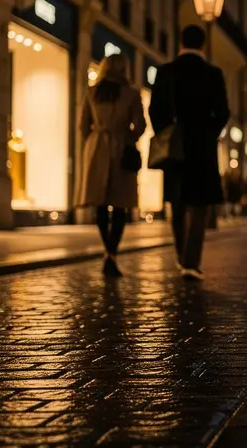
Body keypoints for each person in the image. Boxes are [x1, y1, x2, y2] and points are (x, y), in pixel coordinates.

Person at [149, 25, 230, 280]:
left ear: (180, 44)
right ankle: (191, 261)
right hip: (203, 146)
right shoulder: (213, 73)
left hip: (175, 144)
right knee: (200, 205)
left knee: (177, 201)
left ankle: (180, 255)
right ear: (203, 46)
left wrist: (166, 131)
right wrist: (209, 132)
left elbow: (154, 109)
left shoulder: (166, 72)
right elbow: (224, 111)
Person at [76, 54, 146, 277]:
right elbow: (141, 125)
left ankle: (108, 251)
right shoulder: (132, 93)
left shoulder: (93, 91)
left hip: (97, 149)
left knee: (100, 203)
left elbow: (82, 125)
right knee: (119, 205)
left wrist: (94, 138)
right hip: (121, 148)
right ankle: (111, 254)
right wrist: (128, 136)